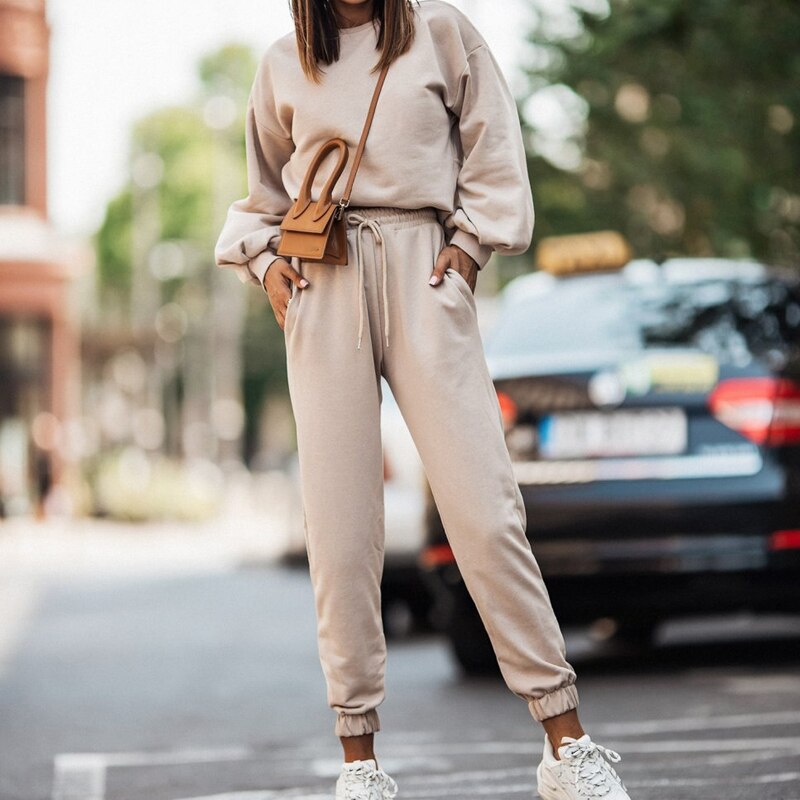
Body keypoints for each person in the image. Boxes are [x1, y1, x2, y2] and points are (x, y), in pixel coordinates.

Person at [215, 1, 634, 798]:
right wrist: (267, 265)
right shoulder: (282, 62)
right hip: (323, 280)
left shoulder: (443, 32)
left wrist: (469, 250)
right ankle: (361, 765)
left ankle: (565, 742)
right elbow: (264, 194)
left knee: (484, 511)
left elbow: (493, 148)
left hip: (425, 269)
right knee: (340, 530)